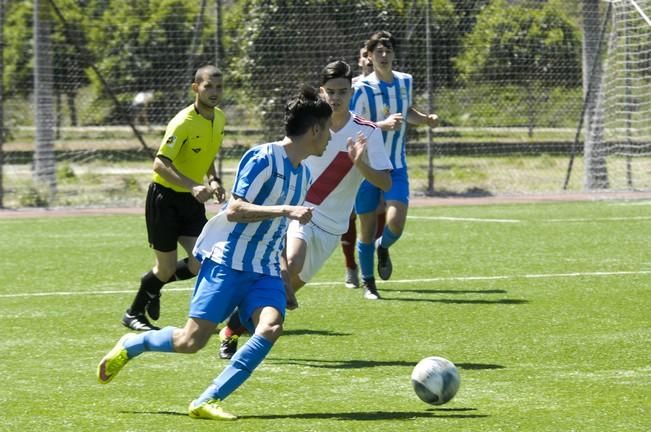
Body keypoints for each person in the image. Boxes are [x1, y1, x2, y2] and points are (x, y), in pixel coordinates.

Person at [97, 86, 333, 421]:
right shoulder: (263, 158)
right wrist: (284, 210)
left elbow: (277, 230)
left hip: (264, 271)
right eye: (327, 130)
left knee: (271, 326)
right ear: (314, 130)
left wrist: (283, 276)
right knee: (191, 341)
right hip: (228, 264)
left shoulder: (304, 172)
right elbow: (234, 209)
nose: (329, 137)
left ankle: (208, 399)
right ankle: (132, 344)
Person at [216, 60, 392, 359]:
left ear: (352, 92)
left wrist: (359, 162)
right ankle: (243, 309)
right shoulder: (311, 125)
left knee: (287, 290)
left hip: (333, 225)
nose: (336, 98)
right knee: (291, 264)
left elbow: (385, 183)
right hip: (302, 209)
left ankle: (232, 327)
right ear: (322, 92)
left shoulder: (368, 132)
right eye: (331, 92)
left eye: (343, 92)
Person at [121, 65, 227, 331]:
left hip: (191, 204)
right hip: (164, 200)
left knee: (202, 260)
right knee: (166, 267)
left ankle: (154, 286)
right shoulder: (183, 122)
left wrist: (213, 179)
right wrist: (193, 185)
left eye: (219, 87)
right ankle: (133, 313)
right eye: (208, 86)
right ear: (196, 88)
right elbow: (159, 164)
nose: (214, 92)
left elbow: (206, 153)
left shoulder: (219, 118)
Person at [350, 30, 439, 299]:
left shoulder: (405, 82)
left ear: (394, 54)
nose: (384, 55)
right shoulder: (362, 88)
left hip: (396, 164)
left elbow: (407, 111)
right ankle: (368, 282)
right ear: (370, 56)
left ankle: (383, 246)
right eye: (379, 51)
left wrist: (424, 119)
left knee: (396, 223)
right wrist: (381, 125)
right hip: (366, 168)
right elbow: (353, 124)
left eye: (388, 50)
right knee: (365, 227)